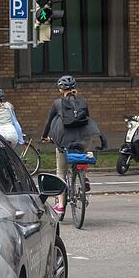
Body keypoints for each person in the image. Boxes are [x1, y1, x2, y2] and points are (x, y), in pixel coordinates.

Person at [41, 75, 107, 215]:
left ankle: (60, 205)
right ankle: (85, 176)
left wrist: (44, 136)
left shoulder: (57, 103)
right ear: (74, 87)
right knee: (80, 155)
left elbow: (48, 122)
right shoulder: (82, 101)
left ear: (60, 89)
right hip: (83, 137)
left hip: (64, 140)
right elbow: (87, 119)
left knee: (61, 171)